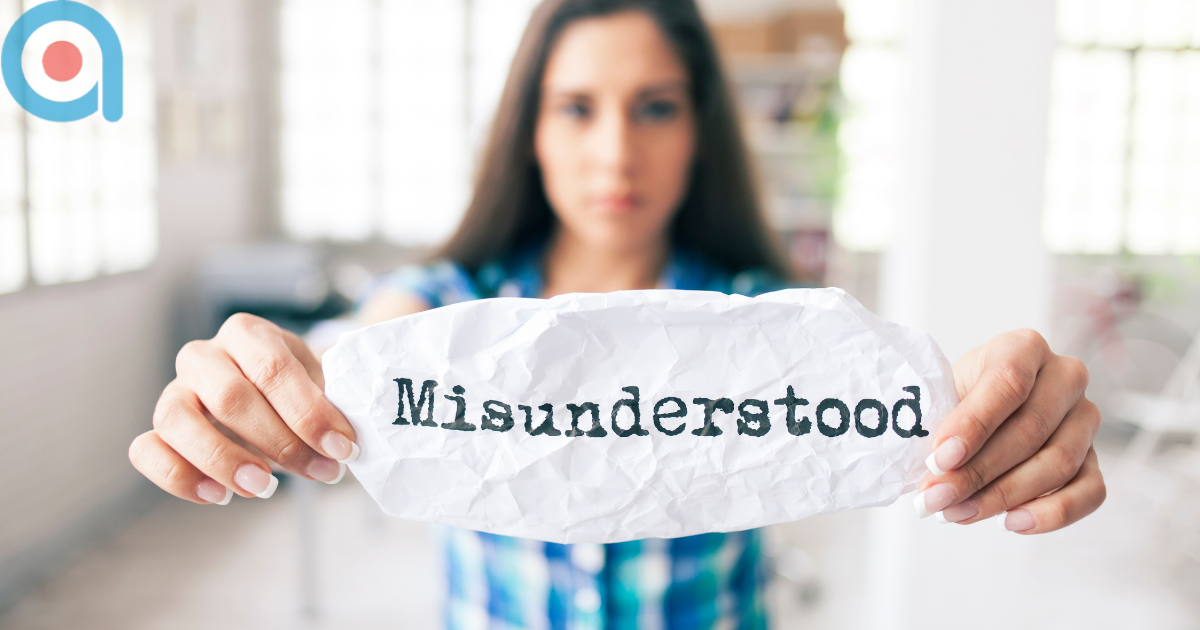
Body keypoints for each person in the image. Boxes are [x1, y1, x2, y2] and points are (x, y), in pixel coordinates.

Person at [128, 0, 1106, 627]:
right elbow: (349, 355)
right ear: (530, 130)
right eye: (576, 107)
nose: (614, 155)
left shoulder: (770, 322)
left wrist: (1005, 408)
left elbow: (909, 395)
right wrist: (258, 384)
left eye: (654, 107)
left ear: (700, 130)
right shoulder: (448, 305)